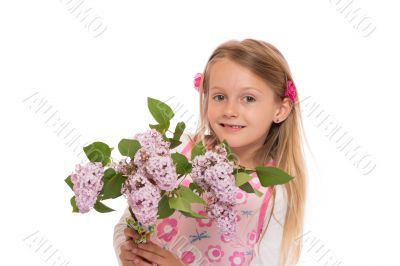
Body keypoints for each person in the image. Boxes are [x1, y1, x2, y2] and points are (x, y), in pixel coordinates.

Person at [113, 39, 307, 266]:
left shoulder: (275, 192)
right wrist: (125, 249)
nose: (230, 110)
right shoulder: (176, 153)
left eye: (249, 99)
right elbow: (128, 222)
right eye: (219, 97)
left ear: (280, 109)